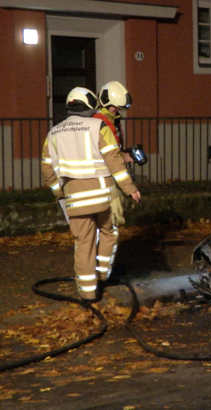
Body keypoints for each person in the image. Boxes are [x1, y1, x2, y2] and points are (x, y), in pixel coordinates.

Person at [41, 86, 141, 301]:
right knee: (109, 232)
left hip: (74, 199)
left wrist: (59, 192)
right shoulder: (98, 127)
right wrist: (130, 188)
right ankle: (102, 274)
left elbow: (47, 170)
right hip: (102, 196)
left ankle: (88, 293)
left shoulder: (53, 133)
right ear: (90, 104)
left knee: (83, 243)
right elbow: (114, 161)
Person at [95, 81, 134, 226]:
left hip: (104, 177)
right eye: (115, 107)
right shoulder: (102, 122)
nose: (116, 110)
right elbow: (107, 153)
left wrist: (122, 154)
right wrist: (123, 156)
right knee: (110, 222)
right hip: (102, 178)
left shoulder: (109, 120)